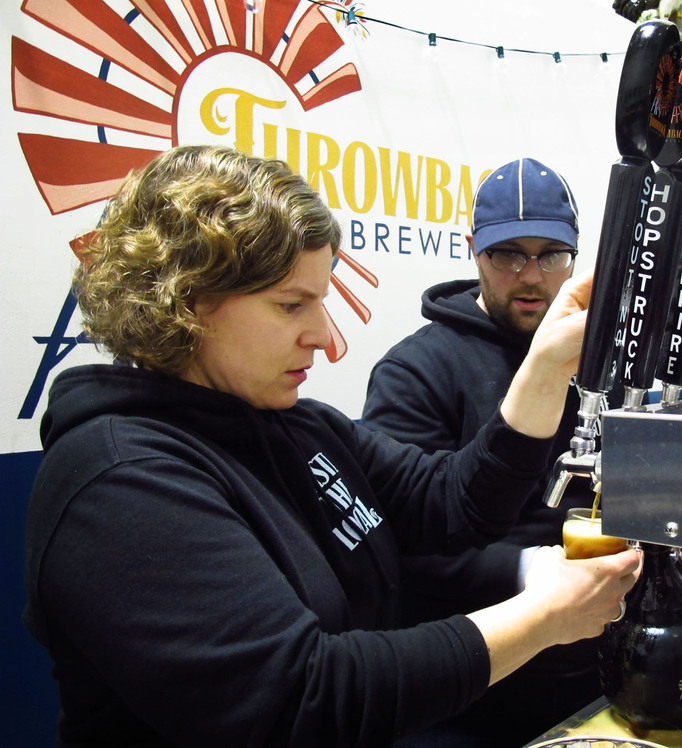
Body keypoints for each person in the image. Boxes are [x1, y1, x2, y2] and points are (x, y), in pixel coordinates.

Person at [22, 145, 641, 748]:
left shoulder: (300, 428)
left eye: (321, 301)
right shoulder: (121, 479)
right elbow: (299, 701)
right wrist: (540, 617)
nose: (326, 337)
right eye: (293, 306)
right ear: (185, 302)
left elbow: (455, 503)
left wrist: (544, 367)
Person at [363, 157, 612, 747]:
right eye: (508, 255)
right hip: (470, 689)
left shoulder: (602, 361)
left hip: (591, 663)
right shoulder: (414, 372)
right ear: (474, 249)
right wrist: (533, 570)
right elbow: (402, 542)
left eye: (551, 254)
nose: (531, 276)